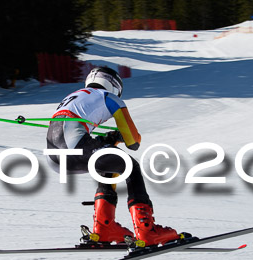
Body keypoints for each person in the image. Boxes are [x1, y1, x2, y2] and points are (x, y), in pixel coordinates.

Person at [46, 66, 180, 246]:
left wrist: (107, 140)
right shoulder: (109, 97)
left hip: (54, 159)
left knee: (109, 163)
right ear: (114, 86)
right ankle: (147, 230)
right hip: (75, 148)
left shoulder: (74, 97)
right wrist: (123, 136)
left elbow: (71, 132)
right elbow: (133, 142)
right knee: (130, 166)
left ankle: (104, 227)